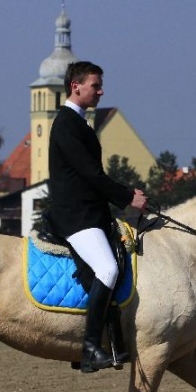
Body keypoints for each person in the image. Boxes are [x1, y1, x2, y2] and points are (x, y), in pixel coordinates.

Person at [47, 61, 148, 373]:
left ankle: (112, 338)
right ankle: (90, 347)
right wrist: (127, 197)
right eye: (95, 85)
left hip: (89, 213)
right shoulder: (66, 123)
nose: (101, 91)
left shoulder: (80, 123)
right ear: (76, 86)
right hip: (74, 216)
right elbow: (90, 174)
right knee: (107, 268)